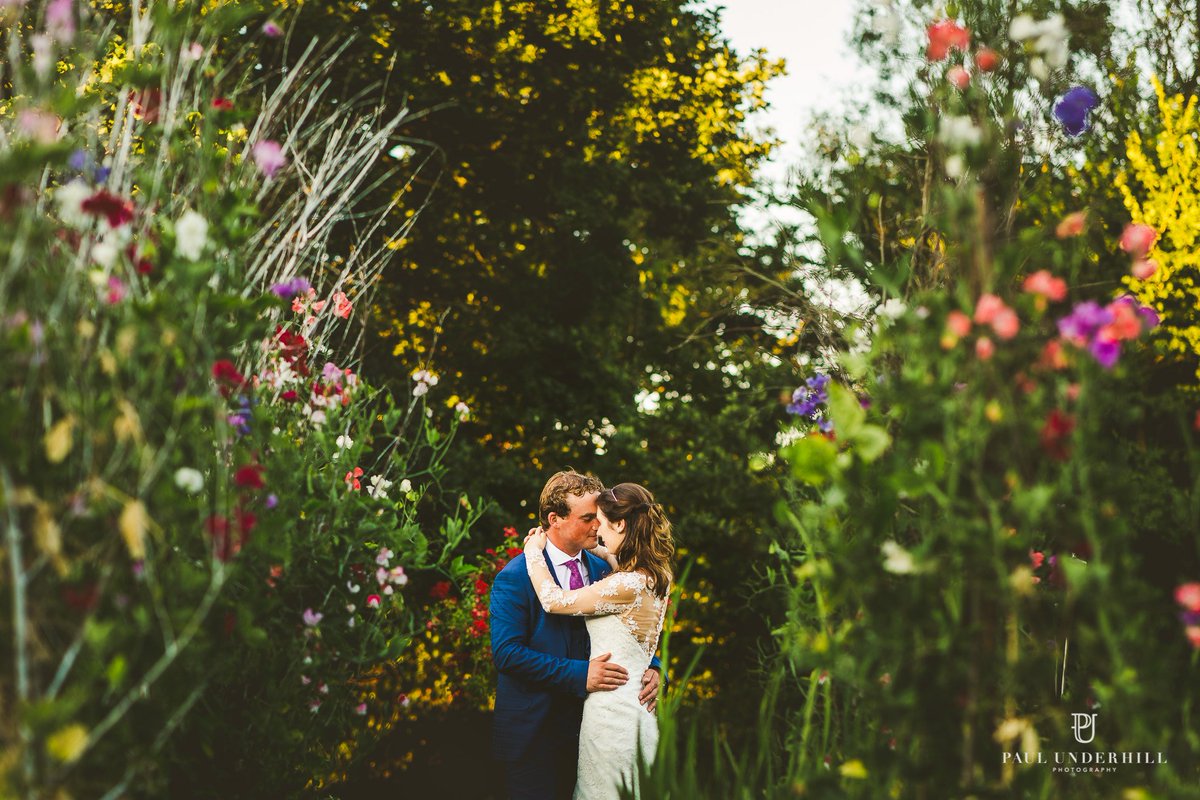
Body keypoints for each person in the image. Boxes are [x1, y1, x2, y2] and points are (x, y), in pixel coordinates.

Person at [491, 471, 663, 800]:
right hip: (535, 738)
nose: (598, 525)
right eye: (587, 518)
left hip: (598, 735)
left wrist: (653, 667)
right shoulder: (516, 576)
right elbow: (507, 654)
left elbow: (633, 625)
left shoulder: (608, 570)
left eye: (599, 516)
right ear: (554, 519)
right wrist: (581, 675)